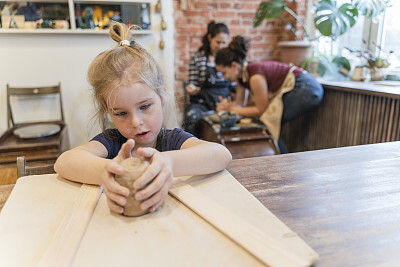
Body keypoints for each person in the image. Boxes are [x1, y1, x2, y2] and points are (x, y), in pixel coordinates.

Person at [54, 23, 232, 215]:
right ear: (108, 111)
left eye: (145, 107)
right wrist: (109, 170)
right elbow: (64, 162)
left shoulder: (172, 140)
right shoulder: (112, 142)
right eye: (121, 113)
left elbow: (221, 154)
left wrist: (168, 162)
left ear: (162, 97)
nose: (136, 122)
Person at [215, 36, 323, 153]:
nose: (224, 77)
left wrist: (233, 110)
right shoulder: (242, 78)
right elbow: (239, 105)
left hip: (306, 86)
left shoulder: (255, 76)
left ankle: (282, 162)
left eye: (224, 73)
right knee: (268, 121)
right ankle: (280, 158)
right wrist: (227, 107)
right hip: (303, 86)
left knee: (268, 121)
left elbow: (261, 110)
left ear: (234, 66)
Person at [184, 21, 234, 137]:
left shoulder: (230, 60)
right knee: (191, 117)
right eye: (218, 42)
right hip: (202, 104)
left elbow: (235, 87)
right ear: (210, 38)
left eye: (224, 43)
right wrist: (190, 89)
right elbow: (192, 84)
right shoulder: (198, 59)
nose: (220, 46)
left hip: (223, 103)